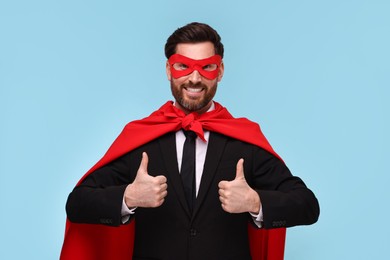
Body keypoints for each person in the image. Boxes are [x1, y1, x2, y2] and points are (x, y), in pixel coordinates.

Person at [60, 22, 319, 260]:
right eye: (183, 66)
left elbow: (307, 205)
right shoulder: (141, 138)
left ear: (220, 71)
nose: (195, 78)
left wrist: (255, 202)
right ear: (168, 70)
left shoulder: (244, 141)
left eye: (207, 67)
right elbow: (77, 204)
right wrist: (128, 197)